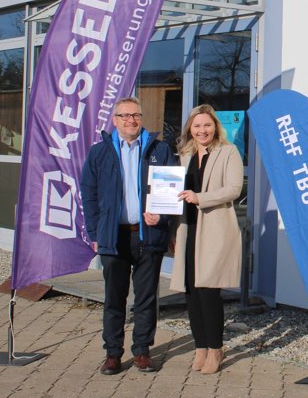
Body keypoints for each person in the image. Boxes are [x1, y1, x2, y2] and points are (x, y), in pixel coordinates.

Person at [82, 96, 176, 375]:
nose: (130, 120)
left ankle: (142, 352)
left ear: (141, 118)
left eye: (135, 115)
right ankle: (112, 354)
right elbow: (89, 195)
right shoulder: (99, 153)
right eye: (124, 116)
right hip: (113, 237)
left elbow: (171, 191)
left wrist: (162, 217)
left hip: (148, 235)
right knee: (114, 299)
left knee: (146, 299)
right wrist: (94, 232)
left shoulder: (160, 149)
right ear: (115, 121)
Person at [170, 105, 244, 375]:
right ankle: (200, 346)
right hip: (188, 228)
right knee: (191, 292)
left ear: (215, 127)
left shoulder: (228, 151)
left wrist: (200, 198)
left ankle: (215, 348)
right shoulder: (185, 155)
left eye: (207, 125)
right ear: (190, 128)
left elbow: (234, 189)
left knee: (208, 291)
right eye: (197, 126)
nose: (202, 131)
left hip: (214, 229)